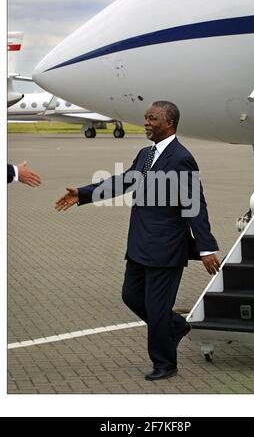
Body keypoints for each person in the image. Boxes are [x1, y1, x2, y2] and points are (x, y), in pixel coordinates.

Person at [55, 101, 220, 381]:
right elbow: (124, 181)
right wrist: (84, 193)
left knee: (156, 309)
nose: (145, 122)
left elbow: (195, 204)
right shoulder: (146, 154)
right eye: (145, 118)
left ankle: (165, 363)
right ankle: (176, 325)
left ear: (168, 123)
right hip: (140, 244)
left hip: (167, 248)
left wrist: (206, 247)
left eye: (151, 118)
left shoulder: (181, 158)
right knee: (131, 296)